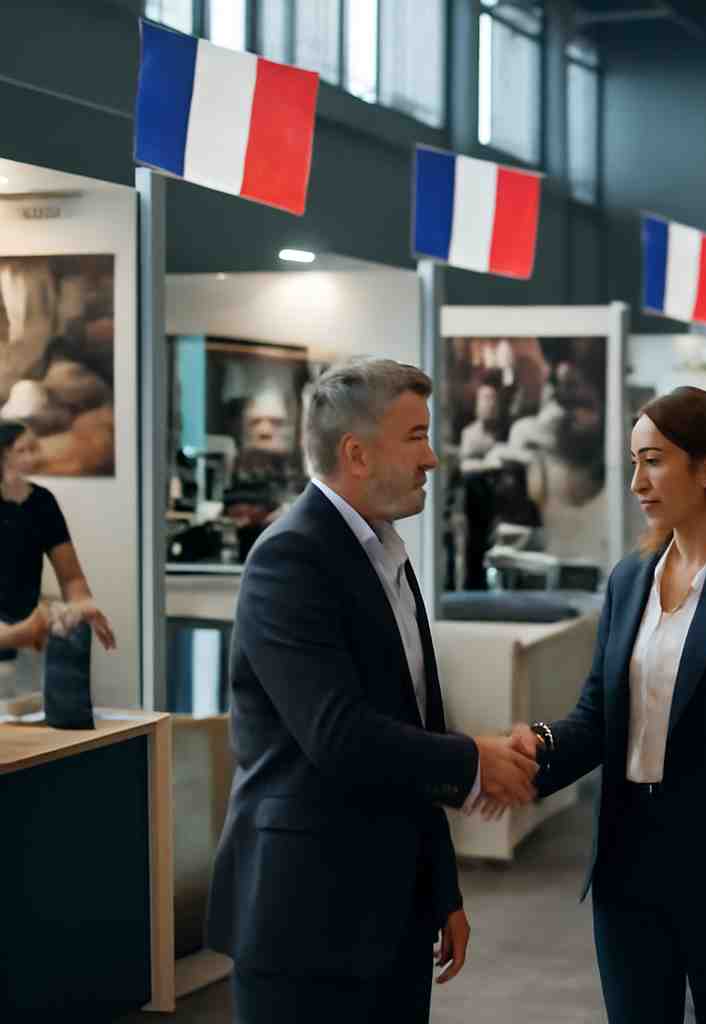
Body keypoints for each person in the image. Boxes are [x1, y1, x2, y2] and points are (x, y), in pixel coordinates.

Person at [205, 358, 541, 1024]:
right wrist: (474, 759)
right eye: (415, 436)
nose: (434, 458)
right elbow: (339, 735)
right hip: (306, 922)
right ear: (355, 453)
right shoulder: (289, 558)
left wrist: (440, 889)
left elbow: (410, 722)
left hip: (393, 917)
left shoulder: (385, 551)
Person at [503, 386, 706, 1023]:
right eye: (634, 462)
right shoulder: (628, 580)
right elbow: (597, 717)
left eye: (654, 460)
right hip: (627, 867)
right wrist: (533, 751)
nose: (637, 481)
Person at [0, 419, 115, 660]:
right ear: (3, 456)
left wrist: (83, 606)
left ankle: (21, 633)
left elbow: (72, 577)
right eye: (23, 450)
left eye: (34, 448)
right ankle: (18, 634)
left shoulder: (42, 502)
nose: (33, 457)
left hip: (26, 632)